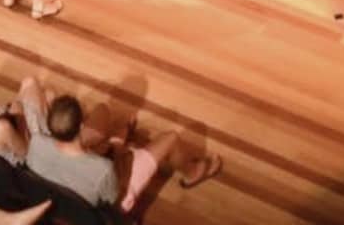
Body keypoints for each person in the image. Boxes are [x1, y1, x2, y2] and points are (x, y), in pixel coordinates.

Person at [19, 79, 221, 212]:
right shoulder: (102, 169)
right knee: (171, 139)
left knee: (102, 111)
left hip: (64, 199)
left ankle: (116, 137)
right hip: (109, 200)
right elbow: (114, 198)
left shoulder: (37, 142)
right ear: (80, 125)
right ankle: (192, 173)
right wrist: (118, 148)